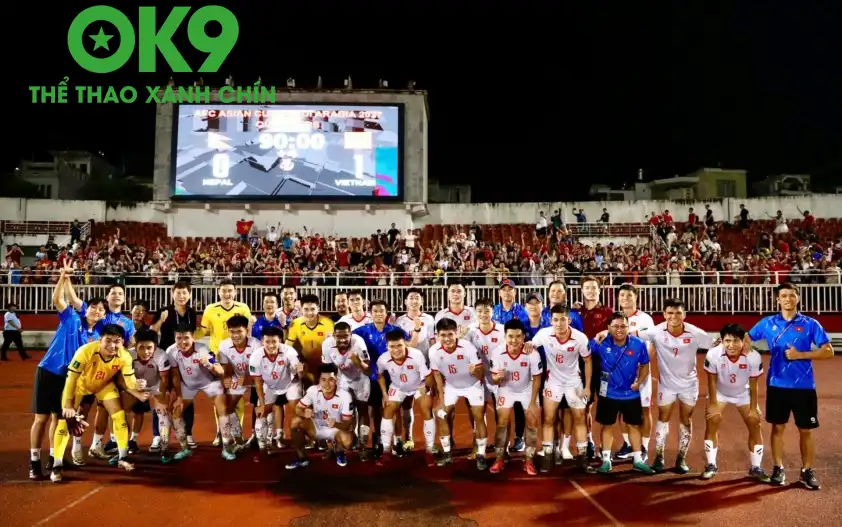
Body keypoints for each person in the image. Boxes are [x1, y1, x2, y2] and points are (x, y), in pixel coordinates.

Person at [745, 282, 833, 489]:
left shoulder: (810, 324)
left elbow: (828, 351)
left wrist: (800, 355)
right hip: (777, 383)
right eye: (784, 295)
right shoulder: (767, 323)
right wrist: (737, 347)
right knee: (777, 427)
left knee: (806, 430)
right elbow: (747, 338)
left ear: (798, 298)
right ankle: (779, 468)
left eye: (792, 295)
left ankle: (807, 471)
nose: (788, 299)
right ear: (778, 299)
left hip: (804, 386)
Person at [29, 268, 104, 480]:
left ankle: (55, 458)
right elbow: (57, 299)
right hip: (48, 371)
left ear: (103, 315)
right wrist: (63, 278)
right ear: (86, 309)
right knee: (41, 419)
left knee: (59, 418)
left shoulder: (97, 337)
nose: (96, 311)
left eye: (100, 310)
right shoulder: (71, 318)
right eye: (93, 307)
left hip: (69, 379)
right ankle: (34, 463)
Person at [50, 324, 148, 482]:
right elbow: (71, 379)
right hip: (80, 385)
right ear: (100, 340)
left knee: (119, 415)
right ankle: (57, 465)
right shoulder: (85, 351)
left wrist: (137, 384)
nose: (112, 345)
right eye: (108, 340)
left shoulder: (124, 356)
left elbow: (129, 381)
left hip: (103, 385)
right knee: (65, 421)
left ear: (122, 342)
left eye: (117, 341)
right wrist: (68, 405)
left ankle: (123, 457)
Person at [701, 324, 769, 482]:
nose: (731, 345)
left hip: (743, 394)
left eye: (736, 341)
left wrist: (753, 408)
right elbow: (711, 381)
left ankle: (756, 467)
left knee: (754, 422)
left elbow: (754, 385)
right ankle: (711, 465)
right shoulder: (713, 354)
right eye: (727, 341)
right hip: (720, 393)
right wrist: (713, 405)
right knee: (712, 419)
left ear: (743, 341)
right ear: (722, 340)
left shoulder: (753, 356)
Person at [588, 312, 654, 474]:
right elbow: (585, 354)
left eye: (623, 326)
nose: (619, 329)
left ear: (628, 327)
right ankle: (606, 460)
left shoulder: (638, 344)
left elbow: (645, 364)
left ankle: (638, 460)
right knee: (607, 426)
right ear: (608, 328)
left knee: (633, 425)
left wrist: (639, 382)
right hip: (608, 393)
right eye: (615, 326)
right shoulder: (600, 343)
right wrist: (597, 336)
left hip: (630, 393)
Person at [531, 304, 593, 473]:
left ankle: (582, 459)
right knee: (548, 419)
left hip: (574, 382)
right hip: (553, 382)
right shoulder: (544, 334)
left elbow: (588, 361)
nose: (559, 323)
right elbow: (531, 346)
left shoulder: (580, 338)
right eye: (556, 320)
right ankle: (548, 457)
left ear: (569, 320)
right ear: (551, 320)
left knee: (580, 418)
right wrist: (528, 344)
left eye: (562, 319)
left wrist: (587, 387)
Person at [354, 300, 416, 457]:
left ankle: (398, 441)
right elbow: (348, 339)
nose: (378, 314)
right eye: (375, 311)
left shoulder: (396, 330)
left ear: (386, 313)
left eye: (381, 310)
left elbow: (409, 345)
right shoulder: (361, 331)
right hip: (373, 376)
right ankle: (378, 441)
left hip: (394, 376)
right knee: (375, 410)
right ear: (370, 313)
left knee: (395, 408)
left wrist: (417, 330)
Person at [194, 279, 252, 447]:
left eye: (230, 290)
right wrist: (188, 340)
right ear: (218, 292)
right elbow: (203, 331)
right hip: (217, 358)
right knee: (220, 395)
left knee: (237, 394)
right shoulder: (210, 309)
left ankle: (237, 431)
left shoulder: (243, 308)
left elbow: (247, 332)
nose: (227, 294)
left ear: (235, 292)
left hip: (238, 358)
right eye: (224, 291)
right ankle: (221, 431)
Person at [166, 325, 234, 461]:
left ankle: (227, 448)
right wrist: (179, 396)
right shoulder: (171, 351)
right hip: (188, 385)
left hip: (209, 383)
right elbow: (175, 375)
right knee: (176, 413)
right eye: (179, 338)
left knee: (222, 410)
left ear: (193, 338)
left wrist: (209, 364)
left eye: (186, 338)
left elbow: (220, 371)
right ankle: (184, 448)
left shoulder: (203, 349)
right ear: (175, 339)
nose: (183, 342)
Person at [430, 318, 487, 470]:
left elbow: (481, 374)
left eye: (450, 334)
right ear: (437, 335)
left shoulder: (468, 347)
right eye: (443, 335)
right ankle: (447, 452)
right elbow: (437, 376)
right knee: (441, 413)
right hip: (452, 386)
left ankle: (481, 454)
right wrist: (441, 399)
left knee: (478, 417)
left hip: (473, 385)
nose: (447, 339)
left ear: (456, 333)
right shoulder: (433, 351)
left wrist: (475, 371)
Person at [487, 319, 543, 475]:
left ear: (524, 336)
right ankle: (499, 458)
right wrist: (498, 377)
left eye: (518, 336)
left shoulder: (532, 353)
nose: (514, 340)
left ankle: (529, 460)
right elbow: (494, 379)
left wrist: (533, 402)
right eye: (510, 336)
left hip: (527, 389)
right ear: (505, 336)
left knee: (532, 419)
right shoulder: (497, 352)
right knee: (502, 420)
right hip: (506, 389)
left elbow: (537, 379)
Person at [149, 281, 199, 452]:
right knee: (161, 394)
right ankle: (157, 435)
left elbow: (192, 335)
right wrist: (161, 321)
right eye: (178, 293)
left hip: (184, 359)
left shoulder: (192, 312)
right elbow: (152, 331)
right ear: (172, 294)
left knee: (186, 395)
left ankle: (188, 433)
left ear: (189, 295)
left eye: (184, 293)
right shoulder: (164, 311)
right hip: (165, 358)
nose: (181, 296)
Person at [374, 330, 435, 467]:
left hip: (418, 385)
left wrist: (426, 388)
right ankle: (386, 451)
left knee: (426, 409)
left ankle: (430, 451)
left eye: (399, 345)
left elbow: (428, 376)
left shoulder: (416, 355)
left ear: (405, 344)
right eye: (392, 346)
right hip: (398, 387)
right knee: (388, 410)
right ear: (387, 346)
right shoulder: (383, 359)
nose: (396, 350)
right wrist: (384, 393)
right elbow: (379, 375)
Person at [285, 363, 356, 470]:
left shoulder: (345, 396)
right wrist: (304, 413)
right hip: (316, 429)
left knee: (348, 440)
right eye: (323, 380)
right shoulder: (312, 390)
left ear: (336, 380)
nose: (327, 384)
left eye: (331, 379)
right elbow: (298, 408)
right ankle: (302, 458)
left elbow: (347, 423)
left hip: (336, 430)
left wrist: (336, 424)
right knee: (296, 421)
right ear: (319, 380)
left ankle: (339, 451)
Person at [574, 275, 615, 460]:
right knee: (585, 405)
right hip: (582, 365)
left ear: (599, 290)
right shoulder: (575, 312)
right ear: (582, 290)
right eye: (587, 288)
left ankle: (605, 448)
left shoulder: (608, 312)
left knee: (606, 405)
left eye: (594, 288)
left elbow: (618, 332)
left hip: (604, 366)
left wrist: (608, 331)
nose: (590, 291)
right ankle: (589, 441)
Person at [250, 326, 305, 462]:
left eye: (274, 341)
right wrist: (262, 405)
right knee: (261, 414)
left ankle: (300, 449)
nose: (271, 345)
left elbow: (298, 370)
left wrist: (300, 371)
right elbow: (257, 382)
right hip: (269, 386)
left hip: (291, 384)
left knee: (298, 412)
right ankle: (263, 449)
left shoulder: (289, 351)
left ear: (280, 340)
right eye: (267, 342)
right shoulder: (256, 357)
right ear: (262, 341)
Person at [615, 283, 656, 461]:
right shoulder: (616, 318)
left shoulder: (645, 319)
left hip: (640, 371)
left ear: (636, 297)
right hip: (620, 373)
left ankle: (644, 446)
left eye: (629, 295)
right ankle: (628, 444)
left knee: (644, 410)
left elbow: (652, 343)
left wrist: (643, 364)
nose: (625, 298)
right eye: (622, 295)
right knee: (622, 410)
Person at [394, 288, 436, 449]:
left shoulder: (429, 319)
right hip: (405, 369)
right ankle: (408, 437)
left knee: (427, 406)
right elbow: (401, 345)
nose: (414, 301)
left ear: (422, 301)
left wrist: (433, 366)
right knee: (406, 405)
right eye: (411, 298)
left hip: (424, 369)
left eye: (417, 298)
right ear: (405, 302)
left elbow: (432, 343)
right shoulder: (399, 322)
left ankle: (430, 444)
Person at [322, 322, 371, 452]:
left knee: (362, 409)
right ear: (334, 335)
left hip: (361, 378)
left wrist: (358, 362)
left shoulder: (358, 343)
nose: (343, 340)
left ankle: (363, 443)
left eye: (345, 336)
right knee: (345, 410)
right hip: (343, 378)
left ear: (351, 334)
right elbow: (328, 368)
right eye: (339, 336)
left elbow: (368, 371)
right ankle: (348, 439)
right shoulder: (327, 344)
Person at [125, 329, 173, 463]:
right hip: (134, 387)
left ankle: (165, 447)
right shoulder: (128, 355)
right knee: (123, 411)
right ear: (135, 345)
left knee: (162, 412)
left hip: (156, 386)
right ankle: (126, 444)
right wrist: (135, 389)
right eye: (141, 347)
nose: (145, 352)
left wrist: (160, 398)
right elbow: (122, 379)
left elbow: (164, 379)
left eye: (149, 348)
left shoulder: (161, 355)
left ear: (155, 346)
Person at [218, 315, 261, 449]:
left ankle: (261, 437)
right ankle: (238, 437)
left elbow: (263, 369)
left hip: (258, 378)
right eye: (232, 332)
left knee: (263, 406)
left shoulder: (256, 344)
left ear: (247, 330)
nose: (236, 335)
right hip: (238, 377)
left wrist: (249, 379)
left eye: (239, 331)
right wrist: (226, 378)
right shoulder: (224, 345)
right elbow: (226, 368)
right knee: (227, 407)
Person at [286, 294, 335, 386]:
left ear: (318, 309)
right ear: (301, 309)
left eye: (313, 309)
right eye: (306, 309)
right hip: (306, 363)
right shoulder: (295, 324)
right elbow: (288, 346)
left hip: (325, 362)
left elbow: (334, 347)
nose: (309, 313)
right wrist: (295, 362)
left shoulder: (329, 323)